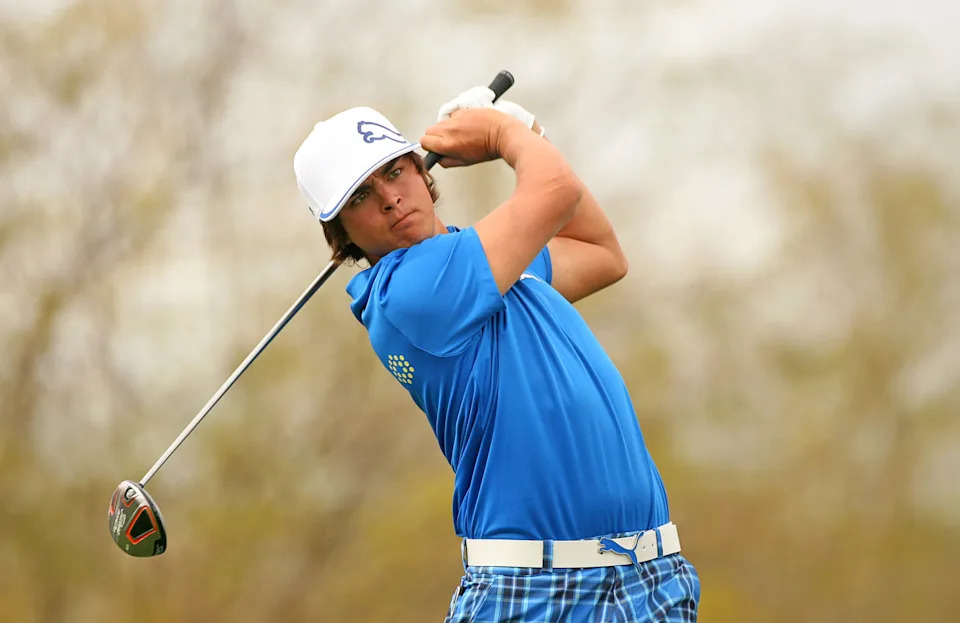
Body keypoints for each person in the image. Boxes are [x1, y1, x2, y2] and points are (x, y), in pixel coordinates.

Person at [293, 86, 700, 622]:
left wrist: (528, 135)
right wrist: (507, 133)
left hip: (647, 580)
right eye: (359, 197)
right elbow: (554, 193)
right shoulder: (412, 289)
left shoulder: (487, 264)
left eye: (394, 172)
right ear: (339, 232)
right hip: (533, 592)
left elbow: (602, 254)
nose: (389, 198)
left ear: (422, 171)